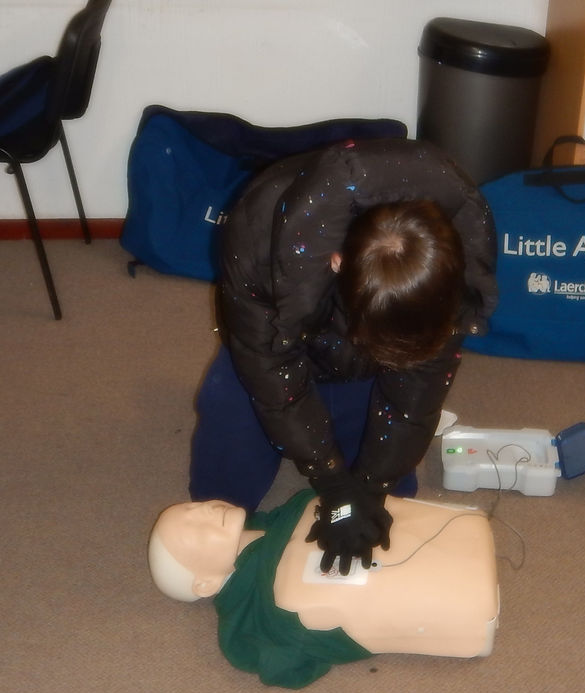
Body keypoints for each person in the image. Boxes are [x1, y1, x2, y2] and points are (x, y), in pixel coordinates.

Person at [189, 138, 497, 575]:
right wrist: (332, 482)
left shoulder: (456, 258)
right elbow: (269, 370)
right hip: (280, 341)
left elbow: (419, 389)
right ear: (335, 262)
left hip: (360, 355)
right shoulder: (261, 243)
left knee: (392, 497)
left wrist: (371, 487)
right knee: (219, 504)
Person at [148, 489, 500, 688]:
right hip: (455, 600)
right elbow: (284, 664)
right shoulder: (273, 613)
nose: (206, 511)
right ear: (206, 583)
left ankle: (466, 539)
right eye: (197, 530)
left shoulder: (288, 512)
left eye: (193, 508)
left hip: (445, 536)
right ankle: (468, 608)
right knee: (302, 597)